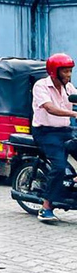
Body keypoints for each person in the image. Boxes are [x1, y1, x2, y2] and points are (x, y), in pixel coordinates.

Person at [31, 53, 77, 222]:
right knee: (58, 167)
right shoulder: (41, 86)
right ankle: (46, 208)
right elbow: (50, 108)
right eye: (65, 71)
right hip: (46, 132)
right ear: (54, 72)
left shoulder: (68, 87)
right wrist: (74, 113)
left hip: (65, 130)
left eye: (70, 71)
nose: (68, 75)